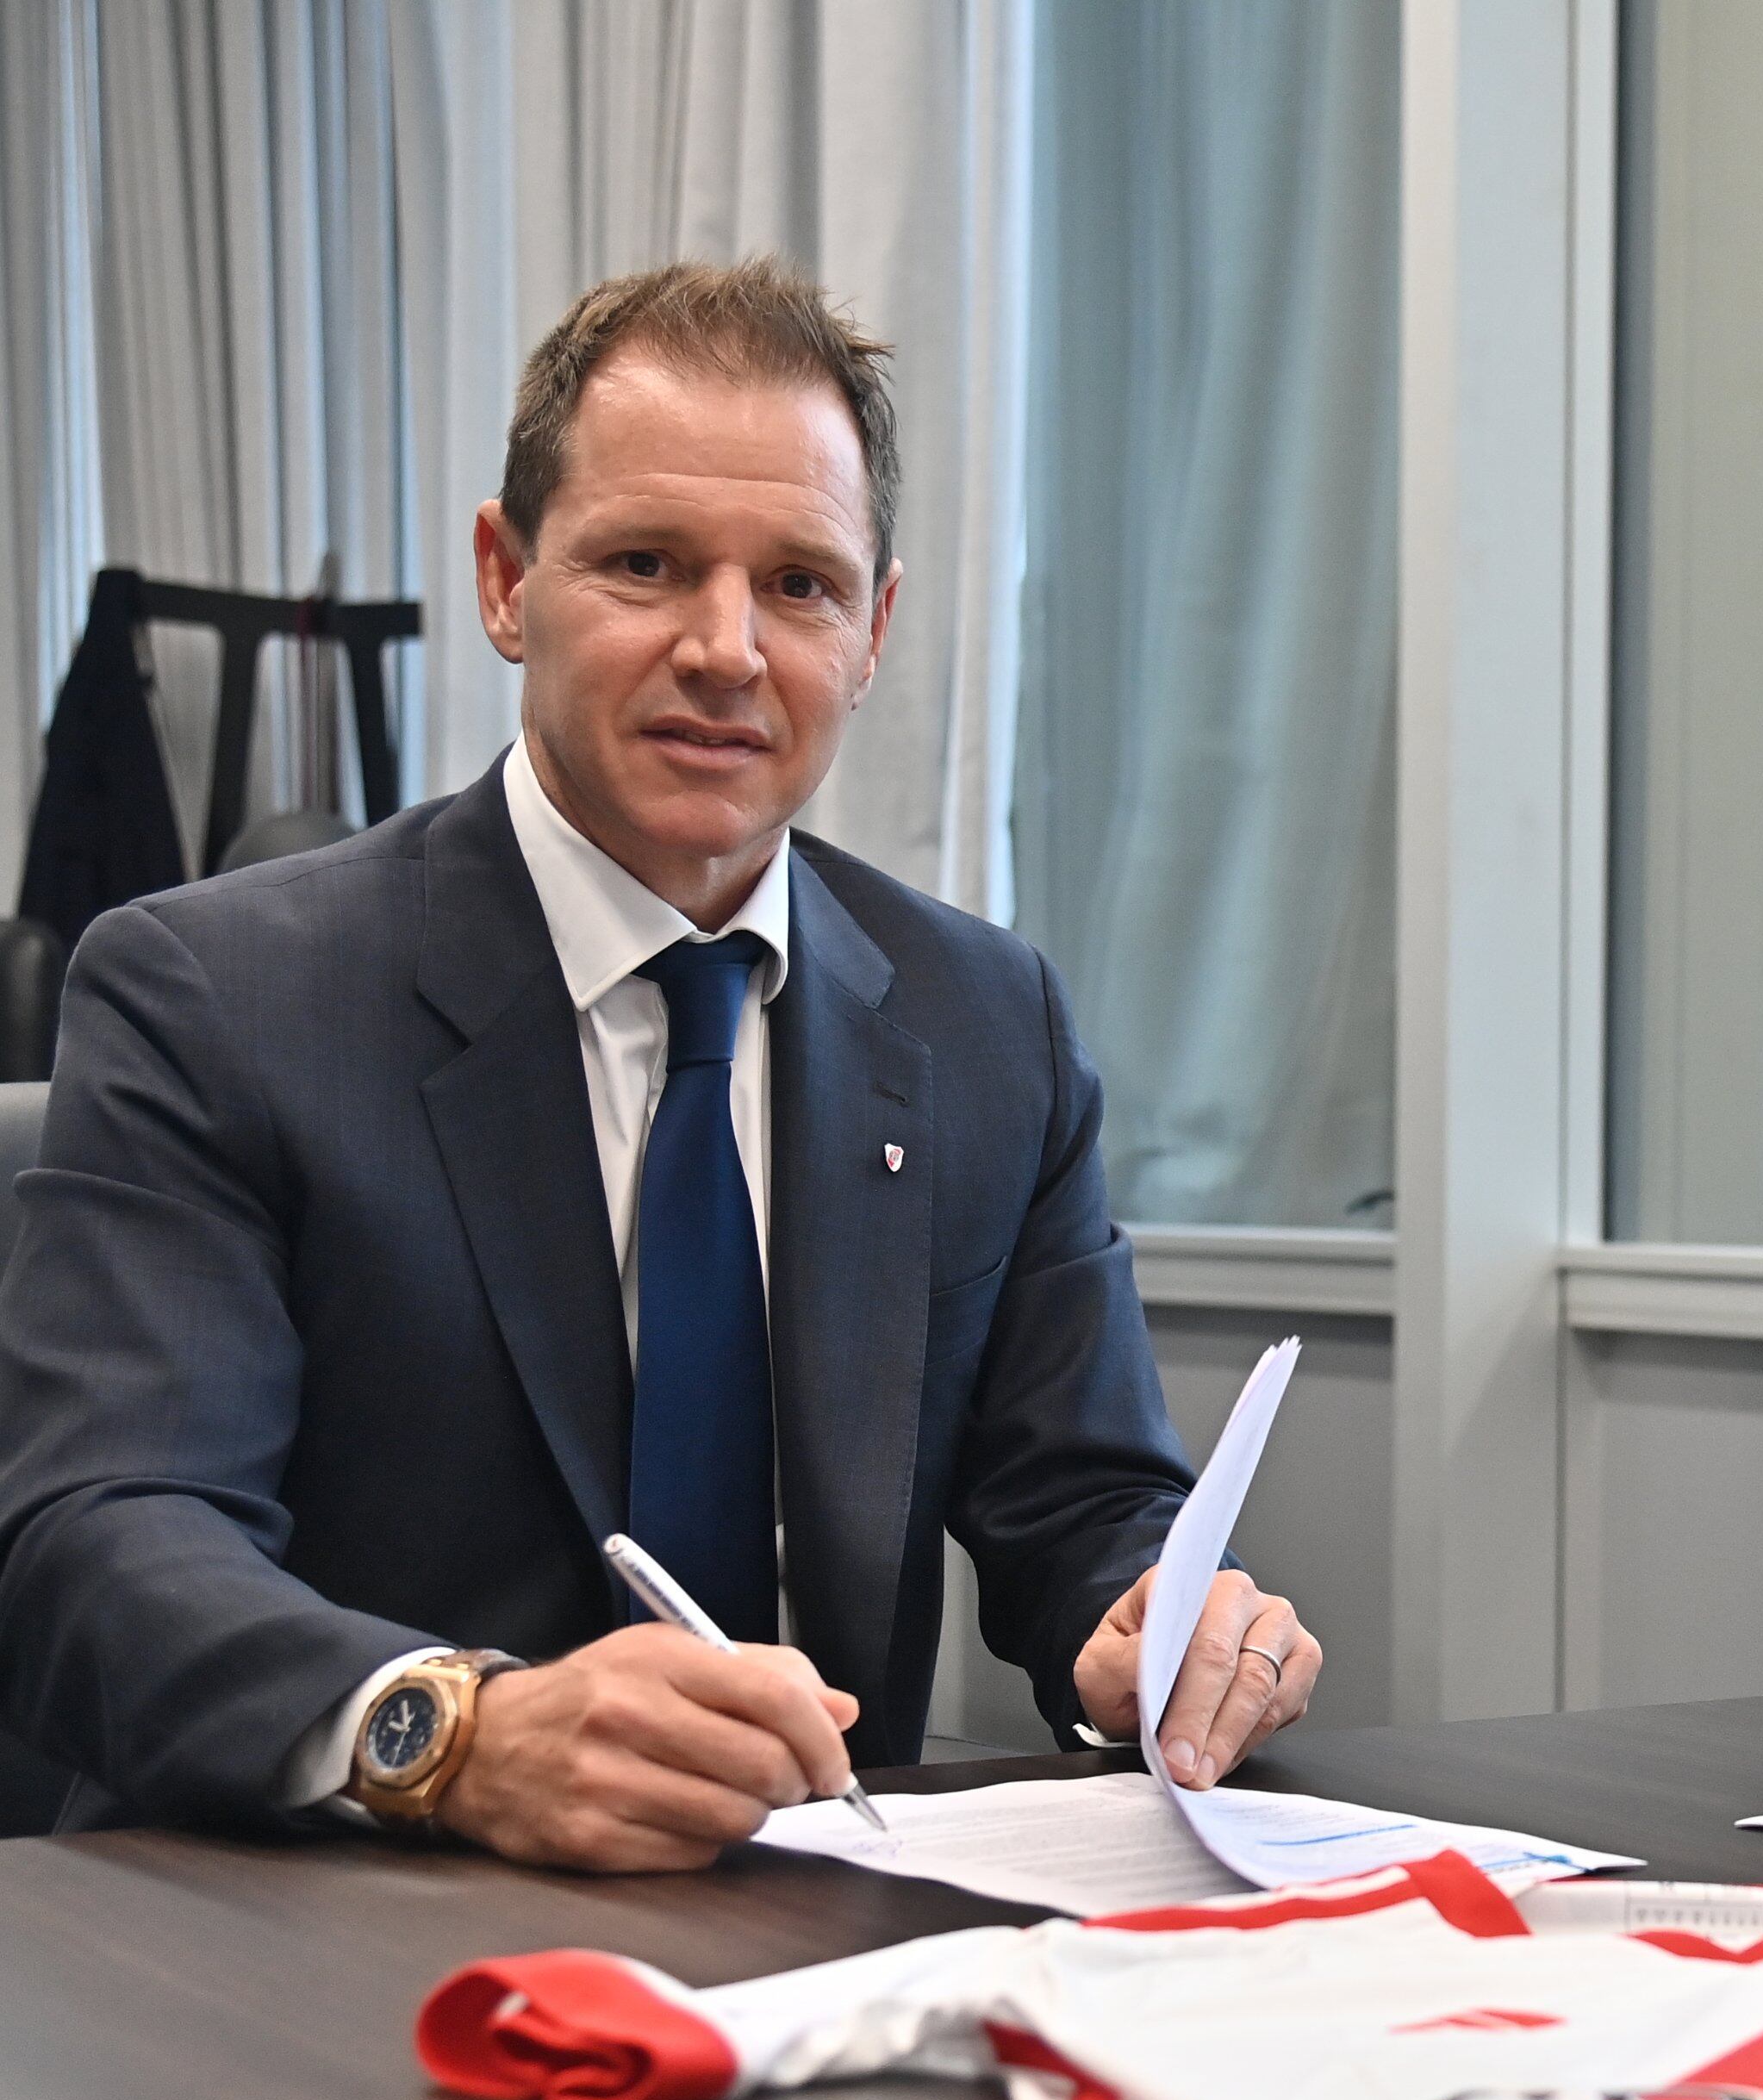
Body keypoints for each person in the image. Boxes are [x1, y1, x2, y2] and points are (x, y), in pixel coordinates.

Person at [0, 259, 1318, 1868]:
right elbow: (103, 1539)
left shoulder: (987, 1027)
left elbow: (1081, 1505)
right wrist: (457, 1731)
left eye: (802, 585)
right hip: (328, 1925)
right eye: (646, 563)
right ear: (506, 579)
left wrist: (1154, 1624)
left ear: (877, 627)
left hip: (814, 1926)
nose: (726, 649)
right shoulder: (214, 996)